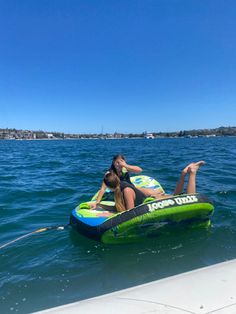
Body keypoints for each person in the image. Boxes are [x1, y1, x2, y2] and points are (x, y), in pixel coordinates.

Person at [102, 161, 206, 212]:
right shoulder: (121, 188)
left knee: (189, 198)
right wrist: (100, 206)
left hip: (153, 202)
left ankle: (192, 173)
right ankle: (183, 173)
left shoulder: (126, 190)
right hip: (151, 199)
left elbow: (130, 214)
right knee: (176, 195)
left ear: (108, 186)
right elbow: (120, 207)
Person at [90, 154, 163, 209]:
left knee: (151, 192)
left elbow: (139, 170)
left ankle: (158, 193)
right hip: (120, 192)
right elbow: (103, 188)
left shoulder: (125, 168)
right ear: (113, 163)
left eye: (121, 161)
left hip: (131, 188)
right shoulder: (110, 173)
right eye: (117, 162)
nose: (119, 164)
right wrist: (97, 202)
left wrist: (125, 165)